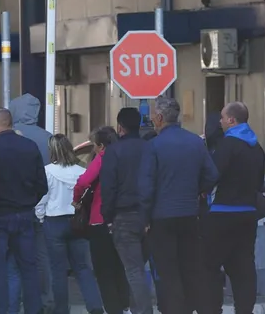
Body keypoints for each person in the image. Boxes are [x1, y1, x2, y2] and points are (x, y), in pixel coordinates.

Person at [139, 97, 218, 313]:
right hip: (190, 214)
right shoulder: (195, 142)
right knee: (191, 267)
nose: (153, 119)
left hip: (161, 217)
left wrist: (144, 218)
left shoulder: (153, 145)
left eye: (154, 114)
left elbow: (146, 186)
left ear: (160, 118)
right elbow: (212, 174)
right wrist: (198, 191)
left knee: (167, 270)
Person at [200, 102, 265, 314]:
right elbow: (258, 183)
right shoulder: (257, 147)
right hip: (248, 213)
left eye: (222, 117)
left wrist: (201, 190)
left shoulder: (227, 145)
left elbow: (212, 174)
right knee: (244, 267)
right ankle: (245, 310)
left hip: (222, 214)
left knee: (210, 265)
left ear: (231, 120)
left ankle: (213, 309)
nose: (219, 122)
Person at [0, 108, 48, 314]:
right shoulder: (30, 146)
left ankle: (0, 310)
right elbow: (42, 185)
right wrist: (28, 202)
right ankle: (33, 310)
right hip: (25, 214)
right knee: (28, 268)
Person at [36, 134, 104, 314]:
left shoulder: (47, 171)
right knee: (82, 267)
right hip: (78, 222)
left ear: (52, 151)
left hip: (54, 223)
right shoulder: (81, 171)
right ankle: (95, 306)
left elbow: (41, 201)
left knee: (57, 270)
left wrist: (41, 219)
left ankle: (61, 310)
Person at [74, 126, 131, 314]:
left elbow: (84, 181)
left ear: (101, 146)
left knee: (103, 269)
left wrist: (77, 201)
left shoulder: (104, 157)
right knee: (120, 265)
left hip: (100, 219)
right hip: (123, 217)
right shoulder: (126, 156)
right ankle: (124, 302)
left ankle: (114, 308)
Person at [100, 108, 150, 314]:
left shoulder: (114, 151)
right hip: (148, 215)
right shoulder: (149, 148)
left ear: (120, 127)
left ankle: (144, 311)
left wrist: (108, 217)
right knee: (141, 268)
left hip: (124, 216)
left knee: (133, 270)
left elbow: (108, 187)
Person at [8, 94, 54, 312]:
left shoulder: (7, 137)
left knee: (12, 261)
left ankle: (13, 304)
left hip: (10, 207)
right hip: (43, 207)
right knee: (40, 258)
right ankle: (43, 301)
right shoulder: (48, 138)